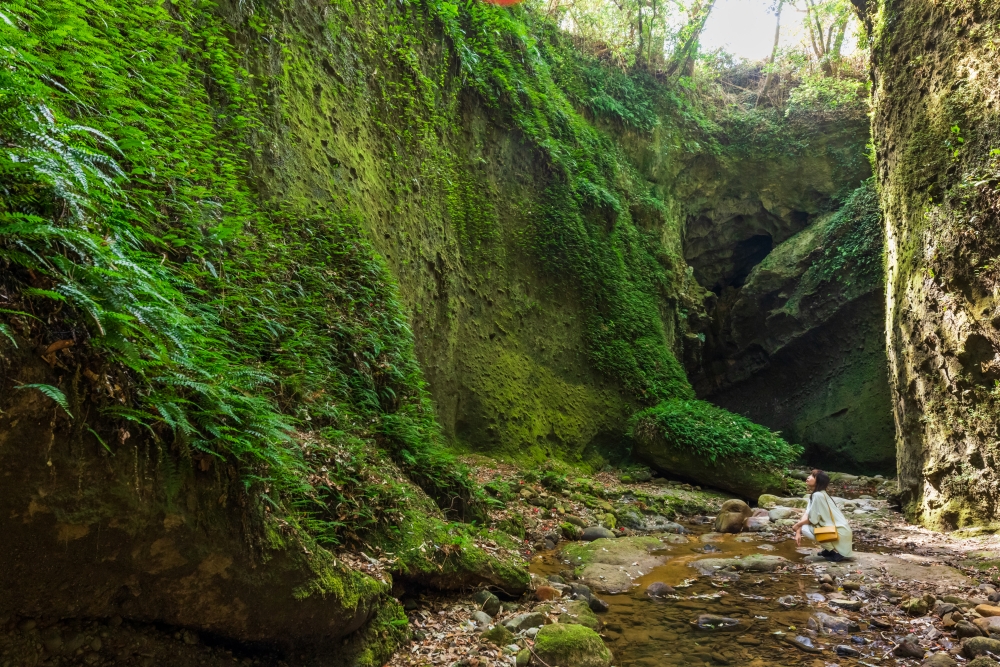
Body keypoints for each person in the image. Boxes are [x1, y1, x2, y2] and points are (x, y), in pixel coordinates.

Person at [793, 469, 853, 562]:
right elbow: (807, 514)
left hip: (838, 533)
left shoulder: (817, 495)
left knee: (805, 528)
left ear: (818, 481)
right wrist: (797, 531)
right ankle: (829, 550)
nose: (808, 477)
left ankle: (835, 552)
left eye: (812, 476)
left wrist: (798, 526)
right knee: (805, 526)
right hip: (842, 531)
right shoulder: (819, 494)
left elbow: (813, 519)